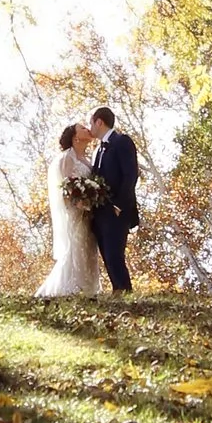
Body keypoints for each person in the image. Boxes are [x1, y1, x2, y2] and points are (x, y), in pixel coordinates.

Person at [38, 121, 106, 297]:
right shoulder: (67, 157)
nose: (87, 129)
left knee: (89, 247)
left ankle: (89, 289)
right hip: (75, 212)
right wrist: (79, 203)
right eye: (82, 128)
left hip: (90, 212)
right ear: (76, 137)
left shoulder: (89, 159)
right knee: (76, 246)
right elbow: (65, 186)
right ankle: (69, 288)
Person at [86, 104, 140, 295]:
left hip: (117, 211)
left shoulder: (122, 142)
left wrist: (118, 205)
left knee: (114, 254)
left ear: (99, 122)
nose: (89, 127)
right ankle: (119, 291)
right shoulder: (97, 150)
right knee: (107, 256)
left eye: (90, 123)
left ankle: (125, 292)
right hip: (99, 213)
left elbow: (130, 175)